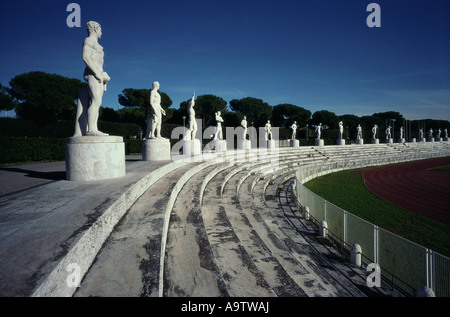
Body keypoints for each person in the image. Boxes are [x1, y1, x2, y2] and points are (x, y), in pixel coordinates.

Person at [74, 21, 110, 136]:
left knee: (97, 102)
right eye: (100, 30)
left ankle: (94, 128)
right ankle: (91, 130)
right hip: (92, 74)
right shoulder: (89, 40)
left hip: (99, 74)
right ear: (95, 29)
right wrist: (96, 72)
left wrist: (103, 74)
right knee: (96, 101)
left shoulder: (97, 44)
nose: (101, 33)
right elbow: (85, 57)